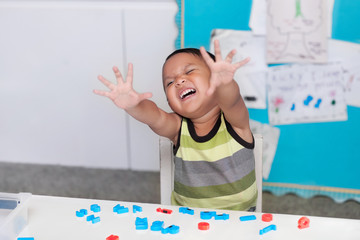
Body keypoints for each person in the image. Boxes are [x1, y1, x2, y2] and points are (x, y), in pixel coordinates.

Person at [94, 40, 257, 211]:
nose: (179, 81)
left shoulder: (235, 122)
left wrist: (225, 84)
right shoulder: (179, 128)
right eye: (169, 83)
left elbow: (232, 101)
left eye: (189, 71)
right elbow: (155, 117)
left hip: (241, 219)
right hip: (186, 220)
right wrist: (134, 106)